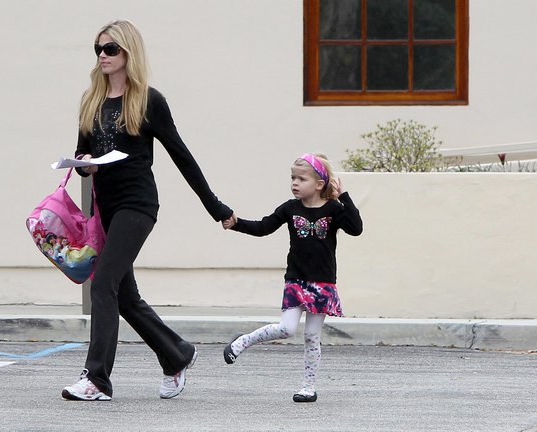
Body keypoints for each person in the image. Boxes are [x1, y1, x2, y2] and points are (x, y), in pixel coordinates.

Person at [61, 19, 233, 402]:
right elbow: (81, 154)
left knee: (103, 284)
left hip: (137, 204)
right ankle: (176, 355)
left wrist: (215, 207)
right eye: (98, 49)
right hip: (104, 206)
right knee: (124, 295)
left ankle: (97, 380)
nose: (102, 56)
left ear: (128, 53)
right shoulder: (91, 100)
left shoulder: (148, 100)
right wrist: (84, 164)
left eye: (110, 49)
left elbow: (182, 157)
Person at [221, 153, 362, 402]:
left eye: (301, 179)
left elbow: (356, 228)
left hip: (322, 284)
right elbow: (263, 227)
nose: (295, 183)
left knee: (311, 336)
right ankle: (243, 341)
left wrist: (344, 197)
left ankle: (308, 386)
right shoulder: (290, 208)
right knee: (286, 329)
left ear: (319, 184)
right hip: (296, 280)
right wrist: (236, 223)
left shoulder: (333, 209)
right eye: (293, 178)